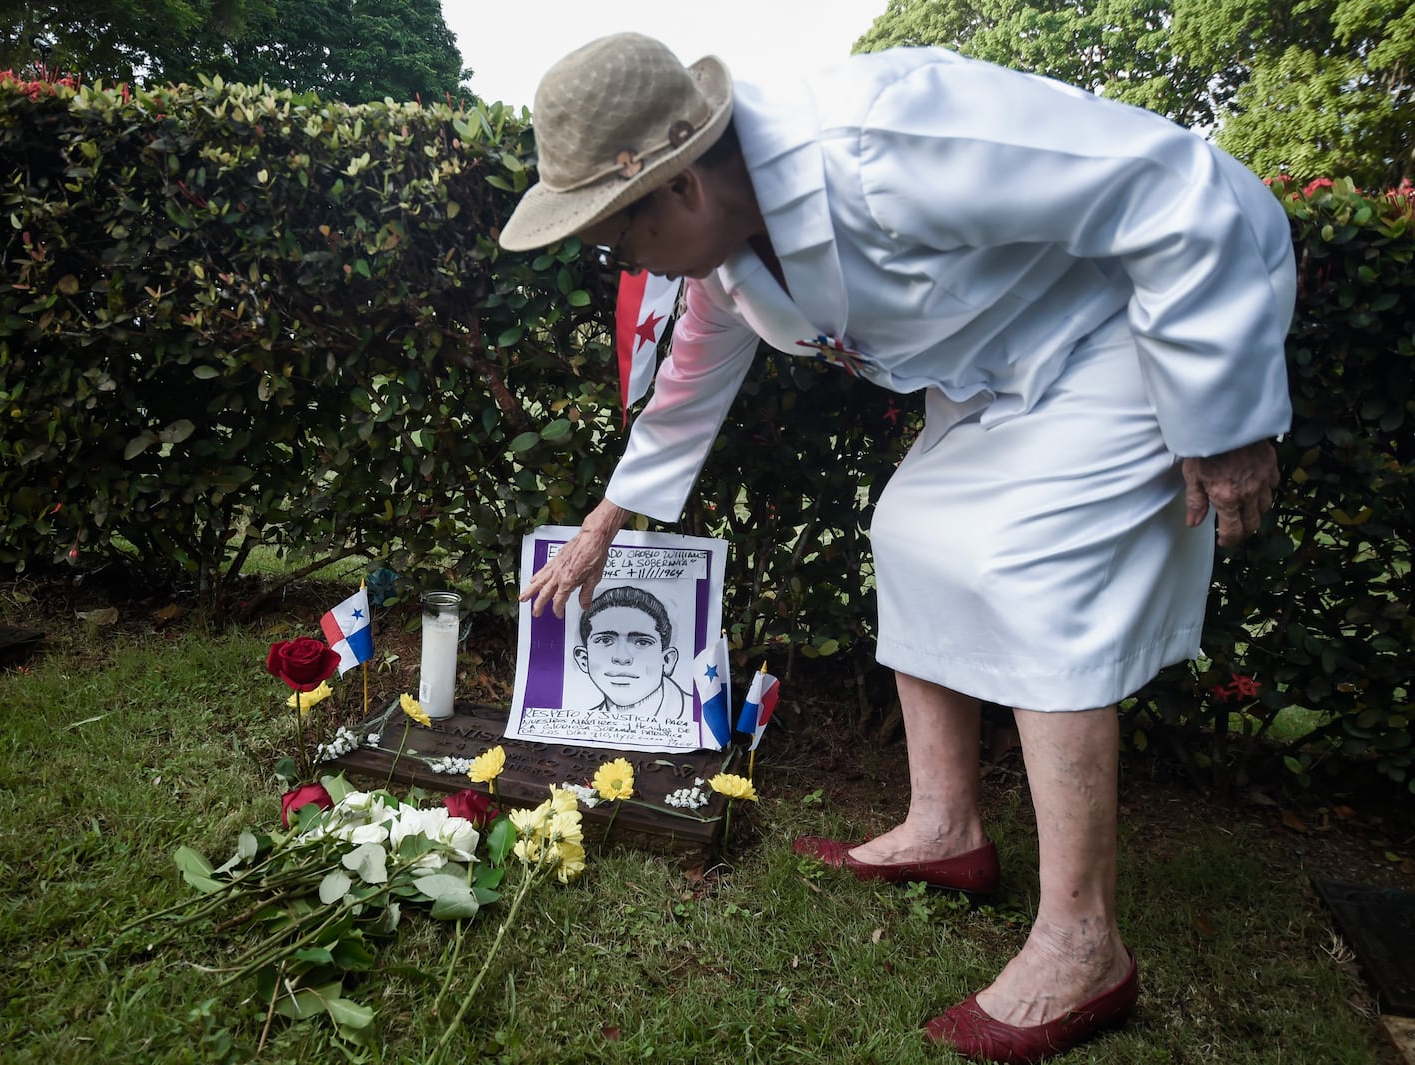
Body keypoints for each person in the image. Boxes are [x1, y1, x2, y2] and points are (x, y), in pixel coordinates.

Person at [504, 33, 1292, 1064]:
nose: (625, 265)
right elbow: (691, 375)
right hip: (1007, 366)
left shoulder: (887, 136)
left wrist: (1227, 409)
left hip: (1140, 323)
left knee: (1029, 573)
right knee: (910, 530)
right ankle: (946, 829)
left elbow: (1176, 188)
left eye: (615, 239)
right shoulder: (728, 251)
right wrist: (609, 518)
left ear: (681, 184)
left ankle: (1082, 943)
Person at [572, 585, 690, 720]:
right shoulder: (579, 724)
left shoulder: (701, 718)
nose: (622, 658)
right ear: (583, 659)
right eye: (605, 640)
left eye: (642, 642)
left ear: (667, 660)